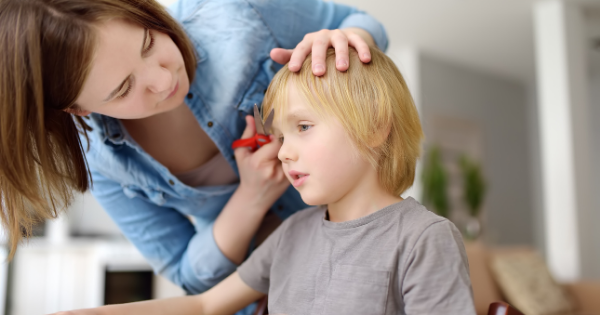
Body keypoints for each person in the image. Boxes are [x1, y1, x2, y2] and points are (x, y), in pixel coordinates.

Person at [0, 0, 387, 312]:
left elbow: (364, 23)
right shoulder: (105, 167)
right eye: (122, 89)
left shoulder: (235, 15)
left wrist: (343, 42)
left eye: (149, 43)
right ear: (78, 109)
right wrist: (251, 198)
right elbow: (190, 278)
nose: (164, 80)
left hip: (367, 242)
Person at [56, 47, 476, 315]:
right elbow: (203, 306)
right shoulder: (293, 234)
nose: (283, 151)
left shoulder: (424, 238)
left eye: (304, 127)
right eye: (280, 135)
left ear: (374, 127)